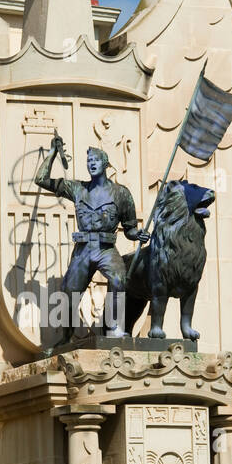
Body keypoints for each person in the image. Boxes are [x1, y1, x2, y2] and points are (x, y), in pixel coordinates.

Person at [34, 136, 148, 338]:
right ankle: (66, 337)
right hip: (83, 249)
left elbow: (129, 228)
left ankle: (114, 327)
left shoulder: (121, 193)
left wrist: (137, 234)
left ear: (105, 163)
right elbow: (41, 179)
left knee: (119, 279)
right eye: (88, 162)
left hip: (106, 249)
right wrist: (52, 153)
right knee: (69, 293)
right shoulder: (78, 189)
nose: (91, 164)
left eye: (95, 160)